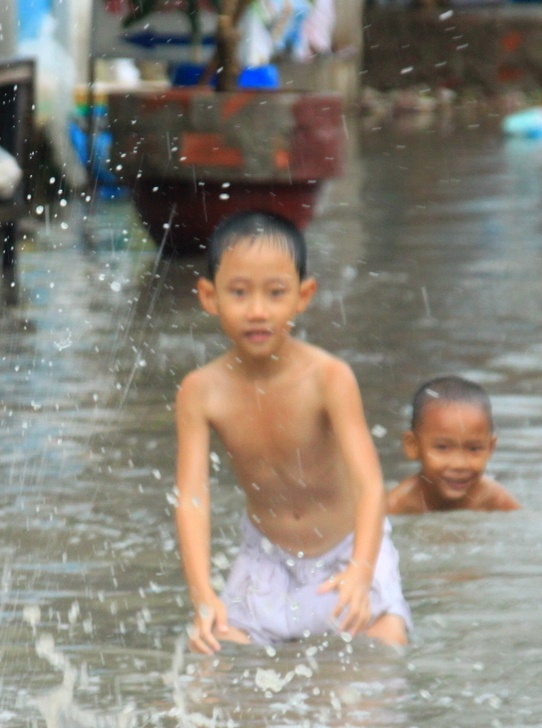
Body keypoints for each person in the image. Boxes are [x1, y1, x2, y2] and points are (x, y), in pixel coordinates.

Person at [174, 211, 411, 652]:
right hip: (265, 561)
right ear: (210, 296)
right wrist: (202, 594)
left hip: (347, 551)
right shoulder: (200, 391)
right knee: (210, 657)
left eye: (276, 293)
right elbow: (191, 498)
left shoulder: (329, 378)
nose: (258, 311)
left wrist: (361, 570)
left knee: (383, 649)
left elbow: (371, 485)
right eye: (239, 293)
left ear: (304, 296)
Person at [386, 376, 520, 515]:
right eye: (442, 447)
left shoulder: (493, 498)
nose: (459, 464)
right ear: (413, 446)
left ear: (490, 448)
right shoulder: (396, 505)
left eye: (474, 448)